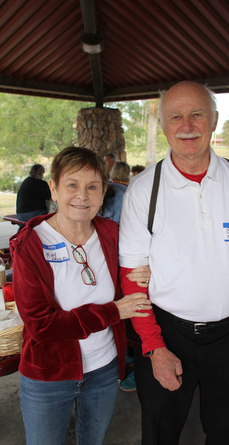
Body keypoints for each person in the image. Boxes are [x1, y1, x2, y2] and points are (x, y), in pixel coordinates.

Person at [118, 81, 229, 445]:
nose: (186, 125)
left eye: (197, 114)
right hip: (166, 332)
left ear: (215, 120)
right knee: (159, 433)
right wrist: (154, 347)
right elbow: (133, 280)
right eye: (175, 116)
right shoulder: (144, 190)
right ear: (163, 124)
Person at [10, 146, 152, 445]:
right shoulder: (30, 245)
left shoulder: (112, 233)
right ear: (54, 188)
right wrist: (114, 311)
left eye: (92, 187)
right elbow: (41, 326)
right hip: (48, 376)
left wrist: (149, 273)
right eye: (72, 185)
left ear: (104, 192)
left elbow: (134, 277)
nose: (82, 196)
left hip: (103, 370)